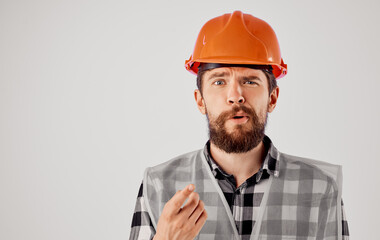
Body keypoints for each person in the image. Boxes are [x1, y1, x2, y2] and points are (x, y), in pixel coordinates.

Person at [129, 11, 349, 240]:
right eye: (219, 81)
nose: (235, 96)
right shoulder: (159, 186)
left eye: (250, 81)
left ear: (272, 98)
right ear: (200, 100)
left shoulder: (320, 189)